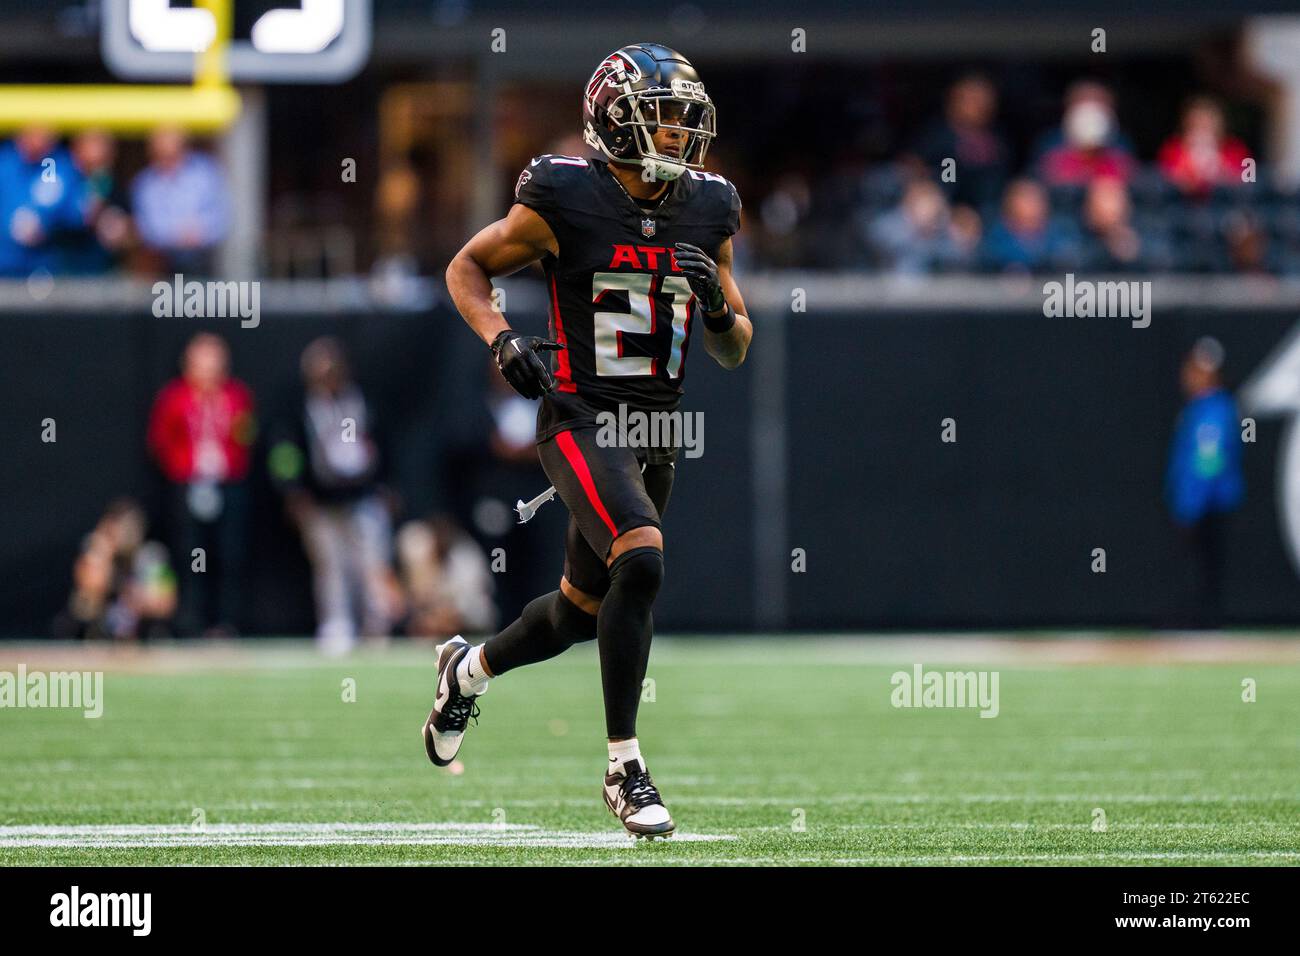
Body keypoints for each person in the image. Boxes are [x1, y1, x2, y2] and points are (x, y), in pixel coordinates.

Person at [433, 43, 752, 839]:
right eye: (663, 115)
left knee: (582, 610)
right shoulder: (564, 195)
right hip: (578, 416)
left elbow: (735, 345)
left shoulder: (711, 206)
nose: (678, 133)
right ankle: (624, 767)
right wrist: (501, 338)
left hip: (655, 428)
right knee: (640, 555)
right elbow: (467, 269)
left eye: (686, 118)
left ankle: (466, 671)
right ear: (614, 119)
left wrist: (716, 305)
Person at [269, 337, 394, 655]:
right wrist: (292, 490)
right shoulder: (298, 408)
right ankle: (337, 623)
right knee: (330, 564)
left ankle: (376, 623)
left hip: (363, 495)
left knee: (372, 560)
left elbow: (385, 443)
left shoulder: (363, 399)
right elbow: (284, 452)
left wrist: (385, 486)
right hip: (320, 501)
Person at [147, 333, 255, 636]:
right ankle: (190, 621)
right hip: (188, 484)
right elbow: (161, 441)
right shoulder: (175, 397)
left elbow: (246, 436)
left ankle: (226, 622)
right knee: (190, 555)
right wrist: (182, 469)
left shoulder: (235, 395)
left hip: (226, 484)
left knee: (229, 554)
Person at [1165, 338, 1244, 627]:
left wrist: (1191, 505)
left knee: (1203, 566)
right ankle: (1198, 617)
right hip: (1202, 502)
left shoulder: (1214, 410)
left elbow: (1208, 461)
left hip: (1207, 505)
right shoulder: (1201, 407)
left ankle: (1201, 620)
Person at [131, 127, 230, 275]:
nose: (168, 162)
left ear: (185, 150)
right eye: (162, 156)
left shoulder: (206, 173)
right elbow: (146, 228)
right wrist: (177, 235)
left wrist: (201, 232)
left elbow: (223, 216)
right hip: (161, 268)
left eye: (173, 156)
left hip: (205, 263)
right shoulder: (145, 183)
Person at [909, 73, 1009, 214]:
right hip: (946, 213)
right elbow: (943, 180)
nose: (980, 106)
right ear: (954, 101)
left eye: (985, 100)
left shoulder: (998, 137)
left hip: (992, 211)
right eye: (972, 100)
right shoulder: (939, 137)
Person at [0, 127, 86, 277]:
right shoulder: (5, 161)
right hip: (4, 264)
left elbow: (75, 214)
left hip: (45, 268)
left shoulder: (59, 165)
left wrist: (46, 225)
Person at [1035, 81, 1136, 187]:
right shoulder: (1050, 144)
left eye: (1098, 103)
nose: (1091, 113)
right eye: (1083, 102)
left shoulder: (1121, 147)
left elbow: (1130, 181)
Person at [1157, 97, 1251, 199]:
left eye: (1206, 123)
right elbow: (1166, 181)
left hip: (1224, 207)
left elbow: (1246, 182)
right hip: (1181, 207)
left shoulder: (1234, 148)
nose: (1202, 127)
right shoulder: (1173, 148)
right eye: (1196, 123)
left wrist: (1216, 163)